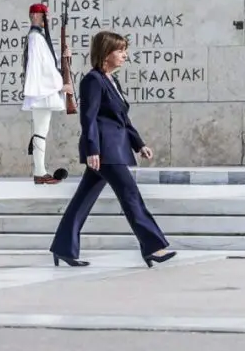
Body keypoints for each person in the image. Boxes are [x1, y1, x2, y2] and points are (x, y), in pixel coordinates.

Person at [49, 30, 175, 268]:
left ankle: (63, 248)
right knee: (131, 196)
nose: (125, 55)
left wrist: (139, 144)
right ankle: (153, 246)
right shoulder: (92, 80)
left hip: (113, 148)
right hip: (105, 151)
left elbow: (121, 118)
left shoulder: (111, 80)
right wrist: (92, 150)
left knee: (82, 200)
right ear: (105, 53)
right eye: (120, 50)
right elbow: (89, 118)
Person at [22, 1, 72, 184]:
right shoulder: (35, 38)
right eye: (45, 15)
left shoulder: (38, 37)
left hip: (44, 92)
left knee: (41, 132)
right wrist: (60, 86)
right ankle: (40, 173)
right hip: (42, 93)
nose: (47, 19)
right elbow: (39, 68)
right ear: (36, 16)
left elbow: (48, 63)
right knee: (40, 132)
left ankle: (40, 172)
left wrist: (63, 57)